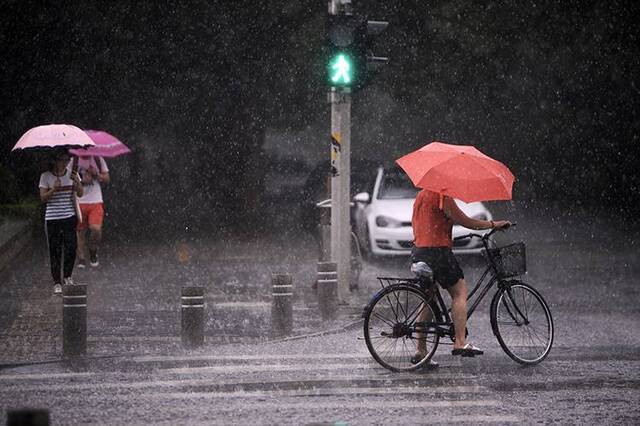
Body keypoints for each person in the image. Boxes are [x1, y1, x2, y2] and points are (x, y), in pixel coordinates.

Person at [411, 190, 510, 362]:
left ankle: (421, 350)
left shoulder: (421, 195)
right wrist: (493, 224)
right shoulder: (442, 196)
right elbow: (466, 221)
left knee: (429, 297)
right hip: (438, 252)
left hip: (419, 250)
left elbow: (422, 223)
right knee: (459, 293)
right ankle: (460, 342)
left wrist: (441, 231)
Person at [39, 150, 83, 294]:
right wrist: (53, 190)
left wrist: (77, 183)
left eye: (67, 160)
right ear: (55, 161)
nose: (65, 163)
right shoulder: (45, 176)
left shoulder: (73, 174)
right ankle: (57, 281)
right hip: (53, 218)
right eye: (62, 160)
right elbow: (43, 198)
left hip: (69, 216)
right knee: (55, 250)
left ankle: (68, 276)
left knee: (71, 247)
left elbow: (80, 194)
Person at [75, 155, 109, 268]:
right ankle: (81, 257)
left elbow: (107, 178)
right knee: (80, 231)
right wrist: (80, 179)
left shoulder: (98, 159)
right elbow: (67, 177)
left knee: (96, 229)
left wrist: (96, 174)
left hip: (95, 200)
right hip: (79, 200)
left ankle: (93, 249)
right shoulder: (74, 160)